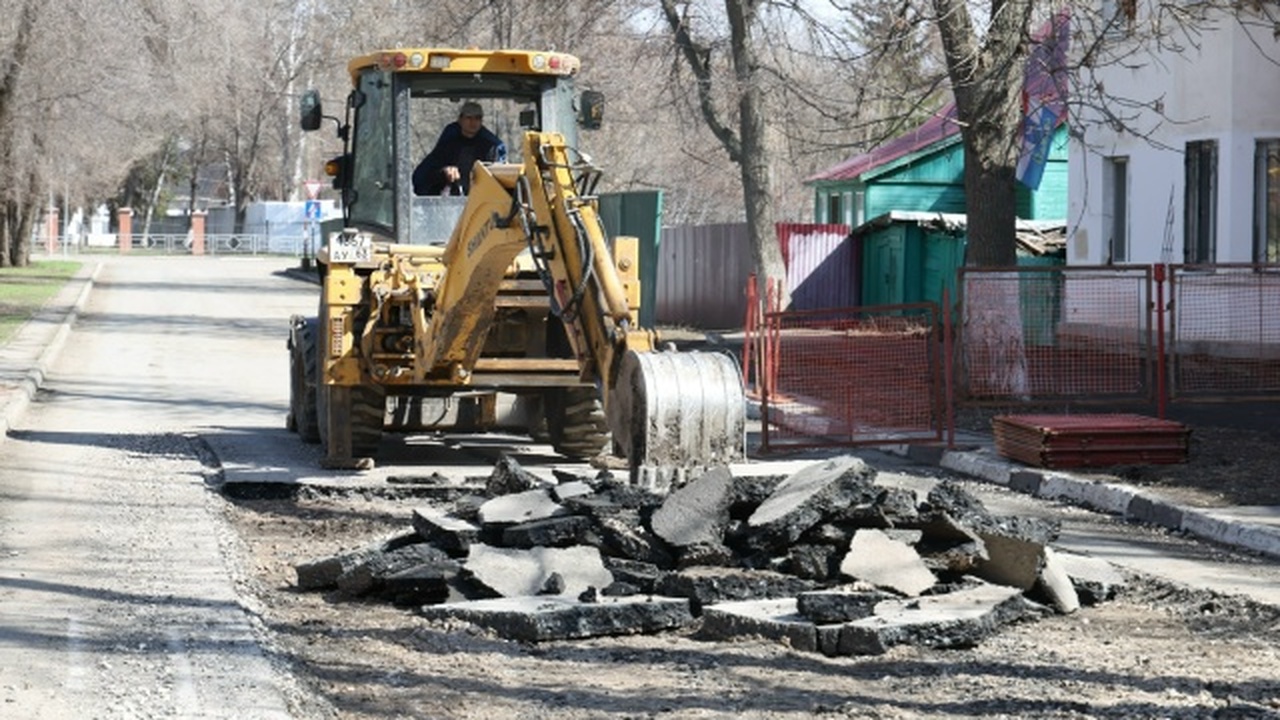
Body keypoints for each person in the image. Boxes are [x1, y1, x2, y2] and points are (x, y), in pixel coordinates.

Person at [412, 101, 507, 196]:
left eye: (477, 118)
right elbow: (423, 177)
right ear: (460, 120)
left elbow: (498, 180)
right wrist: (445, 173)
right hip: (450, 202)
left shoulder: (490, 147)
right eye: (469, 118)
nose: (473, 122)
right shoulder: (448, 144)